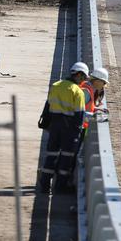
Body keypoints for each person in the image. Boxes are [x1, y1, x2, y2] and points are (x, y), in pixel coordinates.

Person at [39, 62, 88, 194]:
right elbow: (79, 114)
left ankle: (44, 185)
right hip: (69, 128)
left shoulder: (56, 86)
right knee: (66, 157)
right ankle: (60, 187)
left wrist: (45, 123)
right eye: (83, 78)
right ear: (78, 75)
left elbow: (48, 106)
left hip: (54, 125)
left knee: (51, 155)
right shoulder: (77, 92)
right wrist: (77, 132)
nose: (83, 81)